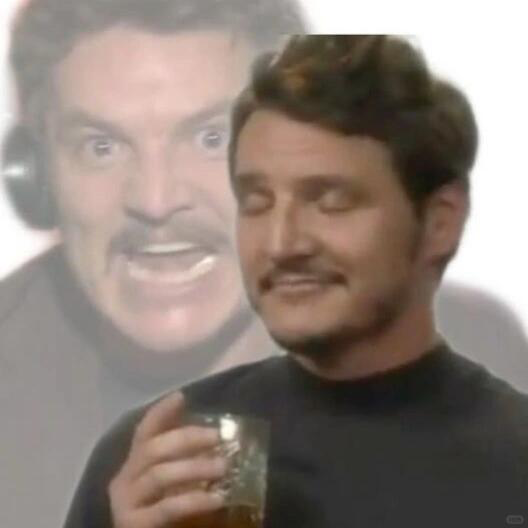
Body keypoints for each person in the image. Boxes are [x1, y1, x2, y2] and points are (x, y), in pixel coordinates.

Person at [64, 35, 528, 528]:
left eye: (330, 201)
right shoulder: (165, 467)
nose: (281, 244)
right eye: (257, 203)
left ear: (440, 222)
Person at [0, 1, 306, 527]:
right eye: (102, 147)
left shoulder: (442, 359)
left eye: (211, 138)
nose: (156, 200)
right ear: (36, 178)